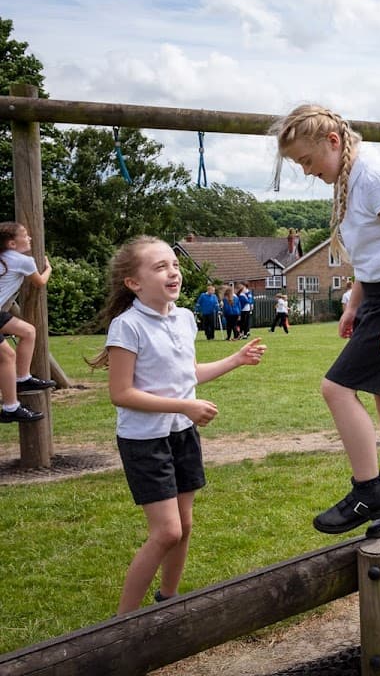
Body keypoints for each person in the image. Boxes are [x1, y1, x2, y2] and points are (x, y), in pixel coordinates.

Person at [272, 103, 380, 538]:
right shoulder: (347, 184)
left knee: (336, 387)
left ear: (333, 141)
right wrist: (352, 304)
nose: (306, 171)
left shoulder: (375, 179)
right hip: (379, 297)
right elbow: (370, 258)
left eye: (307, 160)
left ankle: (369, 492)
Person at [85, 236, 265, 613]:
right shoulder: (127, 326)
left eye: (175, 265)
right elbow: (121, 393)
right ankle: (122, 625)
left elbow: (188, 374)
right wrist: (184, 405)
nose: (173, 272)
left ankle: (168, 602)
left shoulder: (184, 317)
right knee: (166, 531)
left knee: (184, 524)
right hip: (144, 440)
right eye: (160, 266)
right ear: (133, 283)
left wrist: (236, 359)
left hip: (181, 434)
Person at [0, 222, 54, 423]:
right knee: (7, 356)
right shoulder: (23, 261)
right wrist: (48, 268)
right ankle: (10, 407)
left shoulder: (5, 258)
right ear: (12, 243)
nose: (30, 238)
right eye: (25, 235)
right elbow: (39, 282)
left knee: (28, 331)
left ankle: (22, 378)